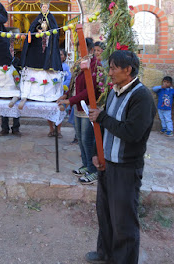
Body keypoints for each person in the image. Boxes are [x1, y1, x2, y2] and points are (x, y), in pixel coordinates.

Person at [85, 50, 156, 264]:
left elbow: (132, 133)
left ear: (128, 70)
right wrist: (98, 154)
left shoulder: (141, 97)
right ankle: (105, 253)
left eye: (114, 68)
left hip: (126, 168)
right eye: (110, 67)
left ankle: (123, 260)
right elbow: (106, 129)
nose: (110, 72)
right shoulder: (115, 92)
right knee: (105, 213)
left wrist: (102, 117)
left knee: (123, 219)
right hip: (108, 165)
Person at [57, 38, 100, 185]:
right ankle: (86, 165)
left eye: (82, 49)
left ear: (91, 50)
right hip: (78, 108)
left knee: (88, 140)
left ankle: (93, 171)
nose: (80, 52)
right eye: (78, 49)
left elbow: (90, 90)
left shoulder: (95, 66)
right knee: (81, 140)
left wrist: (70, 101)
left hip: (88, 108)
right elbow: (74, 83)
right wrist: (66, 95)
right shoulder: (79, 64)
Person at [20, 0, 62, 71]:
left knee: (47, 56)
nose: (44, 8)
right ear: (41, 7)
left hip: (48, 42)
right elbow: (32, 28)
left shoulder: (51, 17)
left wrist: (49, 33)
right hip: (38, 43)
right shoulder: (38, 17)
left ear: (48, 8)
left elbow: (54, 30)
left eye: (46, 7)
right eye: (43, 7)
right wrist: (38, 30)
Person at [47, 48, 71, 138]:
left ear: (64, 57)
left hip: (61, 93)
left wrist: (61, 86)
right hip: (51, 92)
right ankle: (51, 129)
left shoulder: (65, 67)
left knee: (60, 110)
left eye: (61, 55)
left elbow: (68, 79)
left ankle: (58, 130)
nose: (60, 56)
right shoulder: (51, 65)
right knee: (49, 111)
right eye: (58, 54)